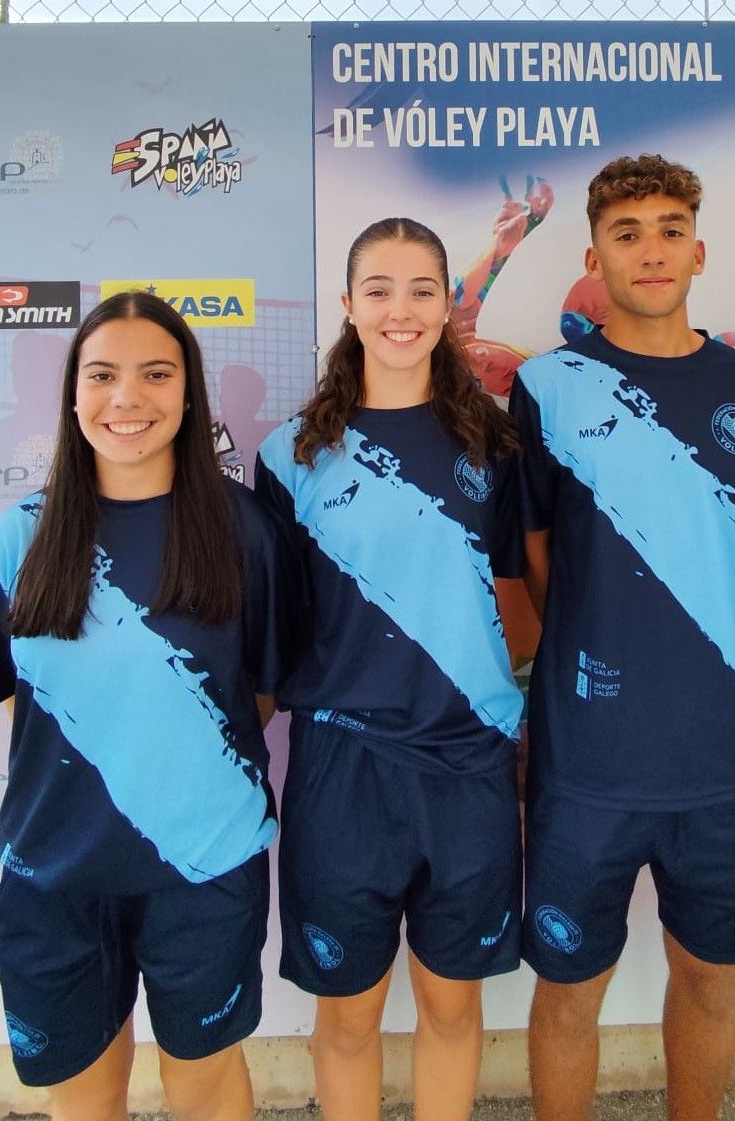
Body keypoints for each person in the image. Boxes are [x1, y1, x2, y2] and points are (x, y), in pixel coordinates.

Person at [508, 154, 735, 1121]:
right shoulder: (546, 387)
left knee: (710, 979)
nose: (651, 249)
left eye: (671, 228)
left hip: (717, 754)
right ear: (594, 256)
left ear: (699, 249)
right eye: (627, 233)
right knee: (568, 989)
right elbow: (540, 558)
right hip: (586, 758)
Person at [0, 291, 292, 1120]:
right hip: (56, 876)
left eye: (156, 374)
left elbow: (256, 693)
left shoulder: (242, 530)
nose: (128, 398)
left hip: (204, 868)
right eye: (103, 374)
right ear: (74, 393)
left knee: (202, 1082)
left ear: (189, 395)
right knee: (85, 1098)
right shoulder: (18, 537)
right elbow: (25, 708)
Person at [255, 217, 524, 1121]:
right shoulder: (289, 456)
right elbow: (279, 620)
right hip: (343, 772)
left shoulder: (496, 442)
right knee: (349, 1017)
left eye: (421, 290)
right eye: (378, 289)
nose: (400, 310)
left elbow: (521, 595)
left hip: (468, 764)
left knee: (451, 1006)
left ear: (448, 303)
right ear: (346, 305)